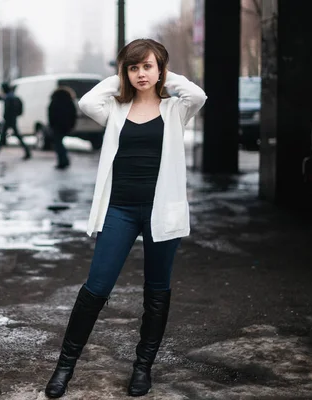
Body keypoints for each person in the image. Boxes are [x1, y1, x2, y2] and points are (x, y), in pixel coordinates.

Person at [44, 38, 207, 398]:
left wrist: (163, 73)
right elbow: (87, 102)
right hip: (120, 209)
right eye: (133, 68)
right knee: (95, 288)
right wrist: (120, 76)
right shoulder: (116, 110)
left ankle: (142, 368)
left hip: (160, 211)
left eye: (147, 66)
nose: (140, 74)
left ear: (160, 68)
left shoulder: (175, 109)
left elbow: (198, 94)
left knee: (156, 292)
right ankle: (64, 368)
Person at [0, 82, 31, 160]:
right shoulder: (13, 96)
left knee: (4, 137)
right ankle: (27, 152)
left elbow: (7, 109)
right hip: (13, 119)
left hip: (8, 120)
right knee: (15, 136)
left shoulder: (8, 97)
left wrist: (5, 118)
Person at [48, 86, 77, 169]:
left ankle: (63, 161)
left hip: (57, 126)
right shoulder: (69, 101)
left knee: (58, 144)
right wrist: (71, 125)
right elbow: (73, 114)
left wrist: (51, 125)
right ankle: (65, 160)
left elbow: (51, 114)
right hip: (66, 126)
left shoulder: (54, 101)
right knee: (59, 143)